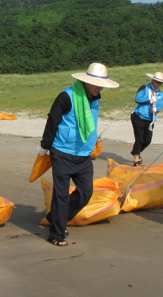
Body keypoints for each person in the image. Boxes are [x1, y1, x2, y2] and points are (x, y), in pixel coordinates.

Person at [39, 63, 119, 246]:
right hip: (62, 152)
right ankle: (56, 234)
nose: (99, 88)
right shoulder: (66, 96)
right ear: (86, 82)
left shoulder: (96, 97)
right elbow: (53, 120)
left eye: (101, 85)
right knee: (60, 194)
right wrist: (45, 145)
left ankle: (56, 217)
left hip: (83, 155)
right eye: (96, 84)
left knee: (86, 192)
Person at [130, 71, 163, 166]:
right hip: (138, 117)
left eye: (160, 83)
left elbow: (160, 105)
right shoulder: (144, 88)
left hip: (150, 120)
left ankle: (135, 151)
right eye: (157, 82)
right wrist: (149, 101)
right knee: (139, 139)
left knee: (147, 140)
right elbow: (137, 99)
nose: (158, 84)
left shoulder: (161, 93)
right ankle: (136, 159)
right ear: (153, 80)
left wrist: (157, 110)